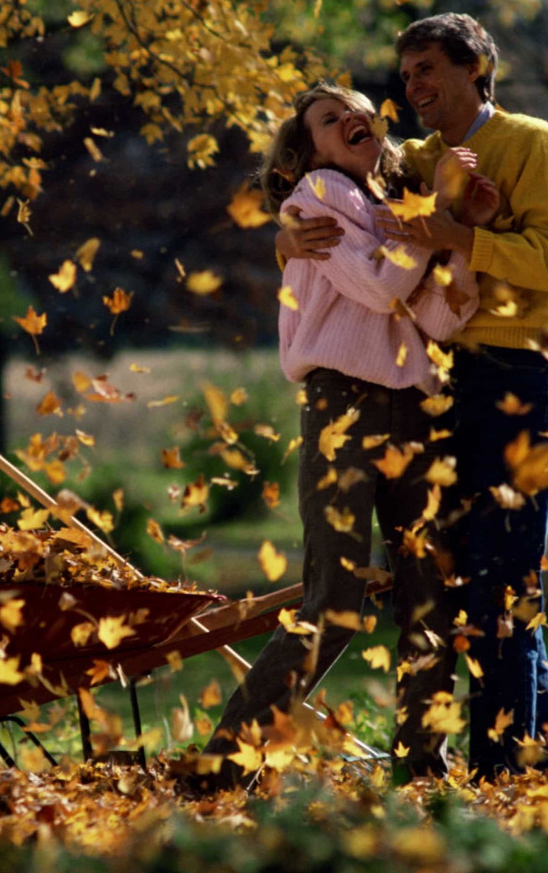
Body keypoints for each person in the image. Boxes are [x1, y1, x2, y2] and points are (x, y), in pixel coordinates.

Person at [277, 14, 548, 780]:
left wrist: (457, 236)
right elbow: (334, 204)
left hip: (520, 374)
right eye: (408, 73)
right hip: (442, 384)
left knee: (505, 580)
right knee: (467, 579)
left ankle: (508, 771)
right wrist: (284, 237)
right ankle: (521, 765)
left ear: (477, 65)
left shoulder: (533, 145)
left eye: (429, 70)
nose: (414, 87)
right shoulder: (415, 159)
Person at [195, 81, 502, 791]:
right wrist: (437, 218)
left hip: (415, 409)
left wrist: (453, 232)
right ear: (307, 151)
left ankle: (423, 769)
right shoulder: (319, 194)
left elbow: (445, 318)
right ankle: (222, 763)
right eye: (331, 120)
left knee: (430, 594)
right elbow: (378, 290)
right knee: (333, 598)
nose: (352, 119)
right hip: (343, 407)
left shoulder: (399, 206)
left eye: (360, 109)